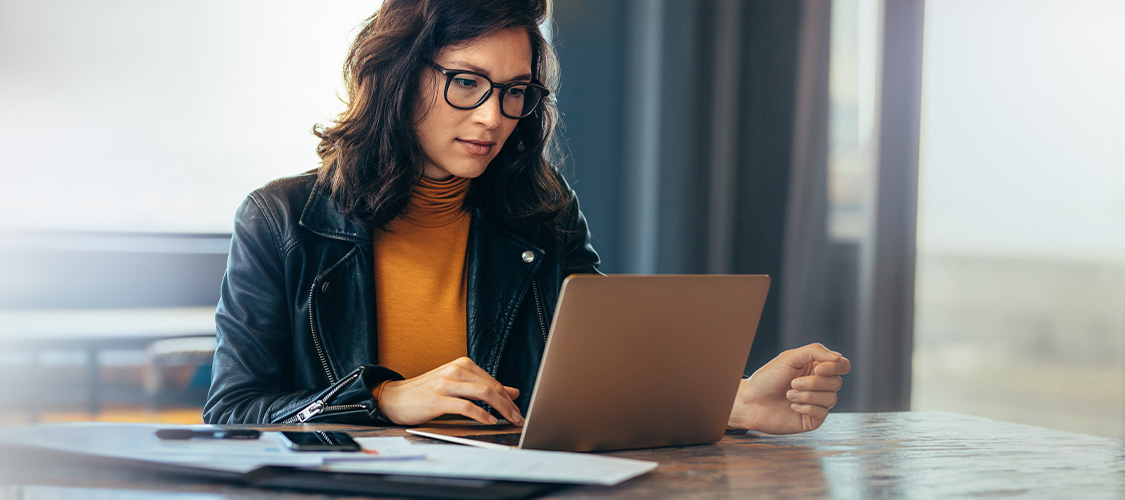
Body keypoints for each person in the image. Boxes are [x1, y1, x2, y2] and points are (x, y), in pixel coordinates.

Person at [203, 0, 851, 436]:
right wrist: (382, 400)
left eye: (514, 91)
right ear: (398, 76)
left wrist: (732, 401)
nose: (492, 116)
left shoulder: (540, 211)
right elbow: (232, 414)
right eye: (466, 82)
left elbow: (601, 376)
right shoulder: (282, 219)